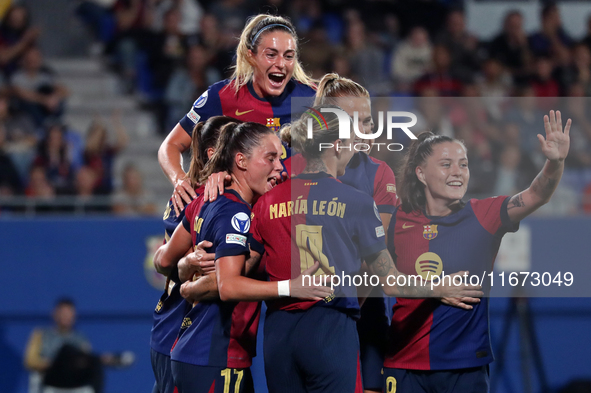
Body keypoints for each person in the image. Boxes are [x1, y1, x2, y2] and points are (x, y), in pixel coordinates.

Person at [215, 108, 481, 393]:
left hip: (278, 334)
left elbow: (241, 271)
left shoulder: (267, 202)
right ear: (338, 146)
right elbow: (389, 282)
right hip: (330, 329)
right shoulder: (358, 202)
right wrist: (439, 288)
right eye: (353, 142)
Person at [384, 111, 570, 393]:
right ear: (420, 173)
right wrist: (436, 288)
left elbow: (536, 194)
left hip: (466, 367)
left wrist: (554, 162)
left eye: (463, 164)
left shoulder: (485, 214)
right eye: (446, 164)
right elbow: (384, 282)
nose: (458, 172)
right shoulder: (396, 220)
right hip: (403, 363)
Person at [154, 121, 330, 393]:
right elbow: (228, 285)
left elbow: (165, 262)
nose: (280, 168)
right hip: (215, 351)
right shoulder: (236, 213)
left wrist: (186, 273)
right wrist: (290, 287)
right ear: (240, 160)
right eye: (270, 158)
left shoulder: (207, 198)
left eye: (280, 159)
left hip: (190, 347)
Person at [158, 13, 316, 216]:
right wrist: (180, 179)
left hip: (292, 218)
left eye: (288, 56)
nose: (281, 64)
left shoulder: (313, 98)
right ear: (251, 55)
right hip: (240, 218)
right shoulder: (223, 96)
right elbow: (170, 146)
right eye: (271, 54)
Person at [150, 116, 241, 393]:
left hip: (167, 329)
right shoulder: (212, 200)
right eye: (238, 149)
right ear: (215, 154)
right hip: (190, 336)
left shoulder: (184, 193)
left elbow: (162, 260)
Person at [24, 298, 98, 393]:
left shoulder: (80, 339)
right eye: (63, 313)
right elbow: (30, 360)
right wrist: (54, 365)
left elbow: (87, 361)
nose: (66, 316)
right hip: (48, 383)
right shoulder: (41, 334)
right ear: (55, 314)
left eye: (69, 313)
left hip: (73, 384)